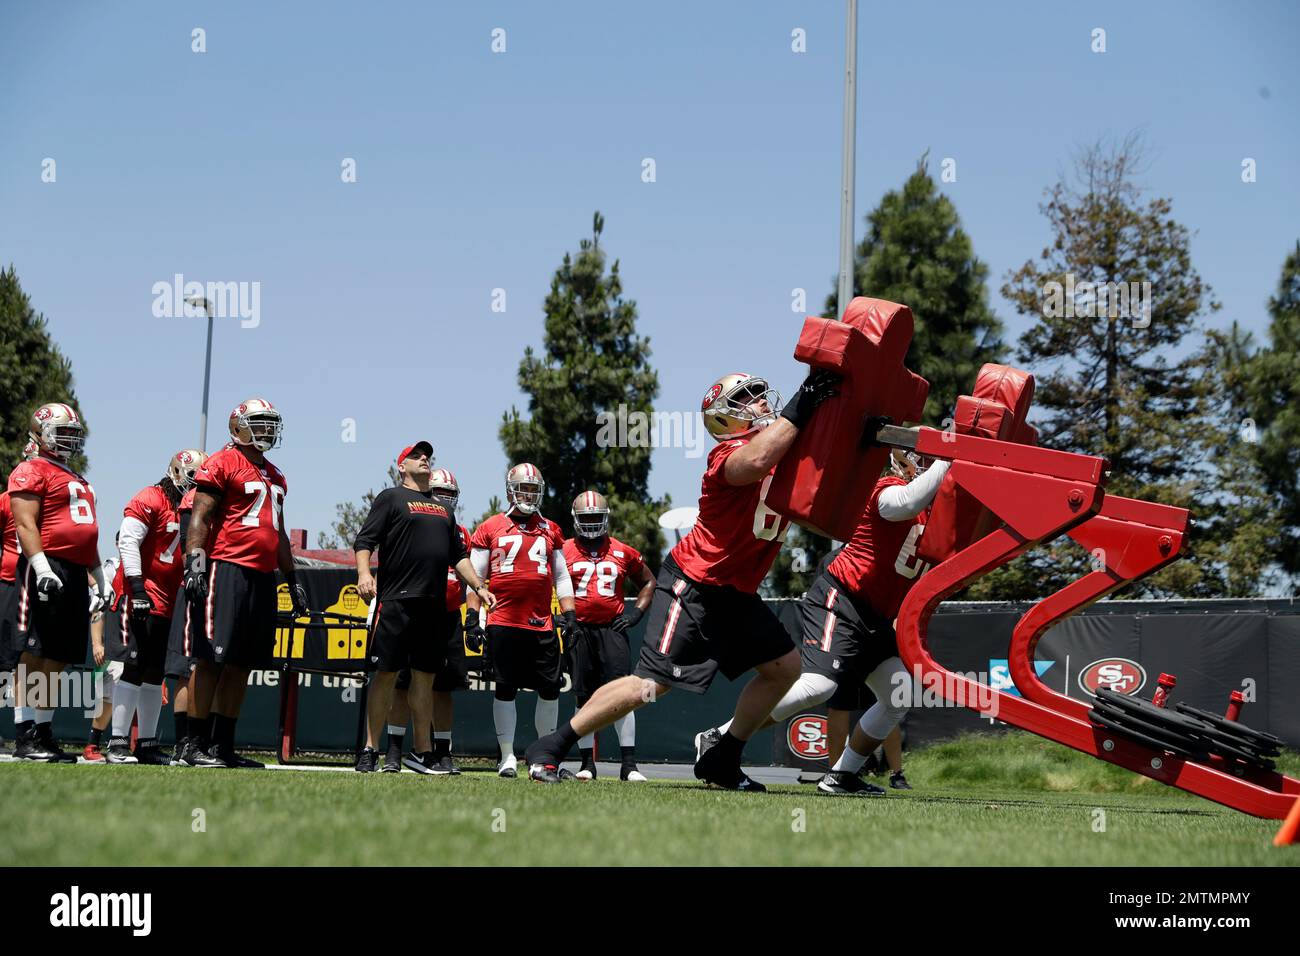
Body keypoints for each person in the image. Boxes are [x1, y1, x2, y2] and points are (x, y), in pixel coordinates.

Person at [526, 369, 839, 789]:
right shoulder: (726, 456)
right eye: (747, 396)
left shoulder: (782, 452)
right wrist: (805, 400)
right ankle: (550, 746)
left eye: (760, 393)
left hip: (737, 591)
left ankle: (723, 757)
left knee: (785, 669)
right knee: (651, 685)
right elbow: (758, 459)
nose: (761, 400)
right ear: (724, 418)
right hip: (695, 583)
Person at [695, 447, 947, 796]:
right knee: (818, 685)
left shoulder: (938, 515)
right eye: (927, 460)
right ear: (903, 461)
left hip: (878, 615)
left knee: (898, 695)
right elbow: (904, 504)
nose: (933, 467)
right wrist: (949, 458)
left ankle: (841, 775)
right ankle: (720, 738)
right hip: (843, 598)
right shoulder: (886, 488)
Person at [182, 399, 306, 768]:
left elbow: (279, 533)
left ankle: (222, 746)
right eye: (258, 423)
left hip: (262, 575)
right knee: (211, 660)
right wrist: (195, 562)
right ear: (237, 427)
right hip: (227, 568)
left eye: (270, 424)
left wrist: (293, 577)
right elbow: (200, 518)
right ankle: (193, 744)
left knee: (242, 663)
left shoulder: (276, 475)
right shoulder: (221, 462)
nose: (266, 430)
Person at [353, 446, 493, 773]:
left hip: (432, 607)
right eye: (417, 456)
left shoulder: (443, 511)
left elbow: (458, 556)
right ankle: (370, 749)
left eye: (428, 456)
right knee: (386, 675)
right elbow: (365, 541)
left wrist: (479, 586)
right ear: (402, 466)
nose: (425, 459)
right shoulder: (391, 497)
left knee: (424, 680)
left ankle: (422, 753)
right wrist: (363, 573)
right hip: (396, 601)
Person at [8, 403, 108, 761]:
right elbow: (25, 524)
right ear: (40, 432)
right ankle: (24, 735)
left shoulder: (77, 478)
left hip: (74, 571)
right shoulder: (31, 469)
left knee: (57, 657)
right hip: (45, 567)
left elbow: (86, 535)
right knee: (33, 654)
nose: (68, 439)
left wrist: (99, 577)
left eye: (72, 433)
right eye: (61, 431)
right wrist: (41, 566)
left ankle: (43, 731)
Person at [465, 463, 576, 779]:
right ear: (510, 489)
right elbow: (476, 578)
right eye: (523, 488)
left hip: (541, 623)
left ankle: (543, 756)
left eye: (532, 489)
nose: (528, 494)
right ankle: (508, 756)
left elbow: (561, 575)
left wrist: (570, 616)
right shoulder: (490, 527)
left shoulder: (551, 529)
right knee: (505, 688)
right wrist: (473, 619)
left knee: (550, 689)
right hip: (502, 621)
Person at [105, 450, 205, 764]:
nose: (197, 484)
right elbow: (128, 541)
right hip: (140, 593)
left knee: (154, 674)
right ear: (177, 472)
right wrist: (136, 587)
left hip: (169, 601)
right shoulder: (150, 497)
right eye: (194, 477)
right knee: (133, 668)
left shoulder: (194, 508)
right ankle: (118, 742)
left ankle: (146, 744)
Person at [380, 468, 472, 774]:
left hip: (447, 615)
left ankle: (441, 752)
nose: (444, 500)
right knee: (402, 681)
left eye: (449, 495)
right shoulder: (413, 520)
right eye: (439, 494)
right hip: (415, 609)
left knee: (443, 686)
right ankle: (394, 750)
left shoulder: (460, 532)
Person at [562, 491, 655, 781]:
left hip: (611, 630)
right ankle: (587, 764)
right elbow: (545, 583)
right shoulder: (563, 550)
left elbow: (649, 581)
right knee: (583, 699)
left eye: (596, 518)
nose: (591, 523)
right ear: (576, 519)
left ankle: (629, 765)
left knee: (624, 696)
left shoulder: (623, 551)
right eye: (586, 518)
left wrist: (636, 614)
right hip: (580, 630)